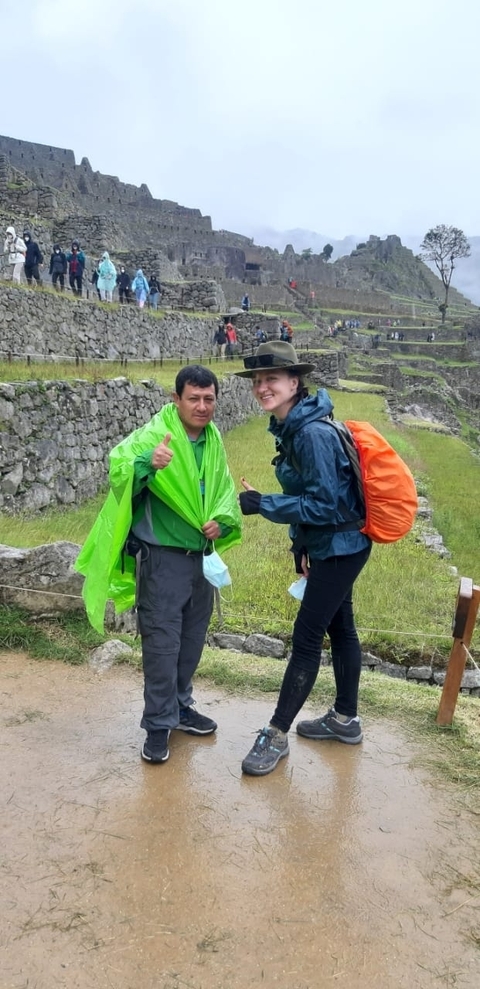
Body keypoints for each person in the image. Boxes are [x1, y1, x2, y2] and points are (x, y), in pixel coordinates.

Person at [75, 366, 241, 765]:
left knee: (190, 643)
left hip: (200, 560)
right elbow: (119, 472)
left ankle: (181, 708)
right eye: (193, 399)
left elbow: (223, 491)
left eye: (209, 399)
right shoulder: (155, 436)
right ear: (176, 399)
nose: (202, 407)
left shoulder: (214, 440)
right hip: (162, 560)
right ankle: (157, 726)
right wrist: (148, 463)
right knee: (162, 646)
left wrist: (223, 521)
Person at [235, 341, 372, 777]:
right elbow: (314, 502)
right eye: (257, 381)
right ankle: (345, 720)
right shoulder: (296, 427)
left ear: (295, 382)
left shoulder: (310, 433)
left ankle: (275, 734)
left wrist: (263, 504)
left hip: (342, 546)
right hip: (334, 545)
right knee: (341, 626)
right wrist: (303, 547)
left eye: (271, 379)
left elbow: (325, 506)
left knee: (307, 637)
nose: (262, 388)